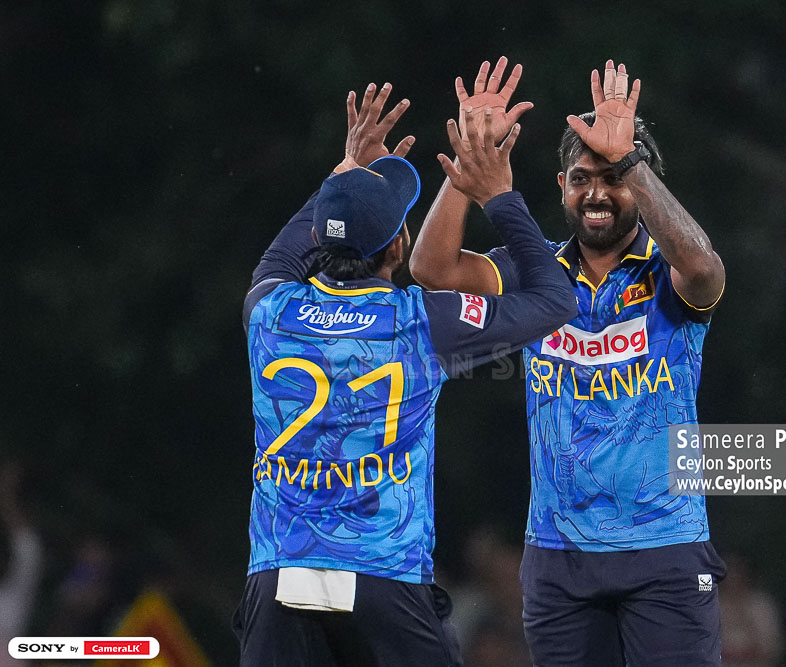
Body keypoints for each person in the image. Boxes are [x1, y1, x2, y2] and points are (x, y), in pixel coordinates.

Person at [233, 82, 576, 666]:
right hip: (383, 577)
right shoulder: (423, 320)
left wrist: (346, 170)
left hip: (278, 578)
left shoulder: (268, 310)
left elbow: (283, 257)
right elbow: (555, 301)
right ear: (399, 246)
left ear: (318, 236)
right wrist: (498, 195)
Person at [410, 58, 728, 665]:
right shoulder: (534, 270)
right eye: (582, 178)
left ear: (641, 184)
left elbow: (705, 268)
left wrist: (630, 158)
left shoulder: (668, 272)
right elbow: (432, 269)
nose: (597, 194)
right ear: (561, 186)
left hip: (664, 548)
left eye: (614, 178)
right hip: (559, 559)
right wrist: (470, 169)